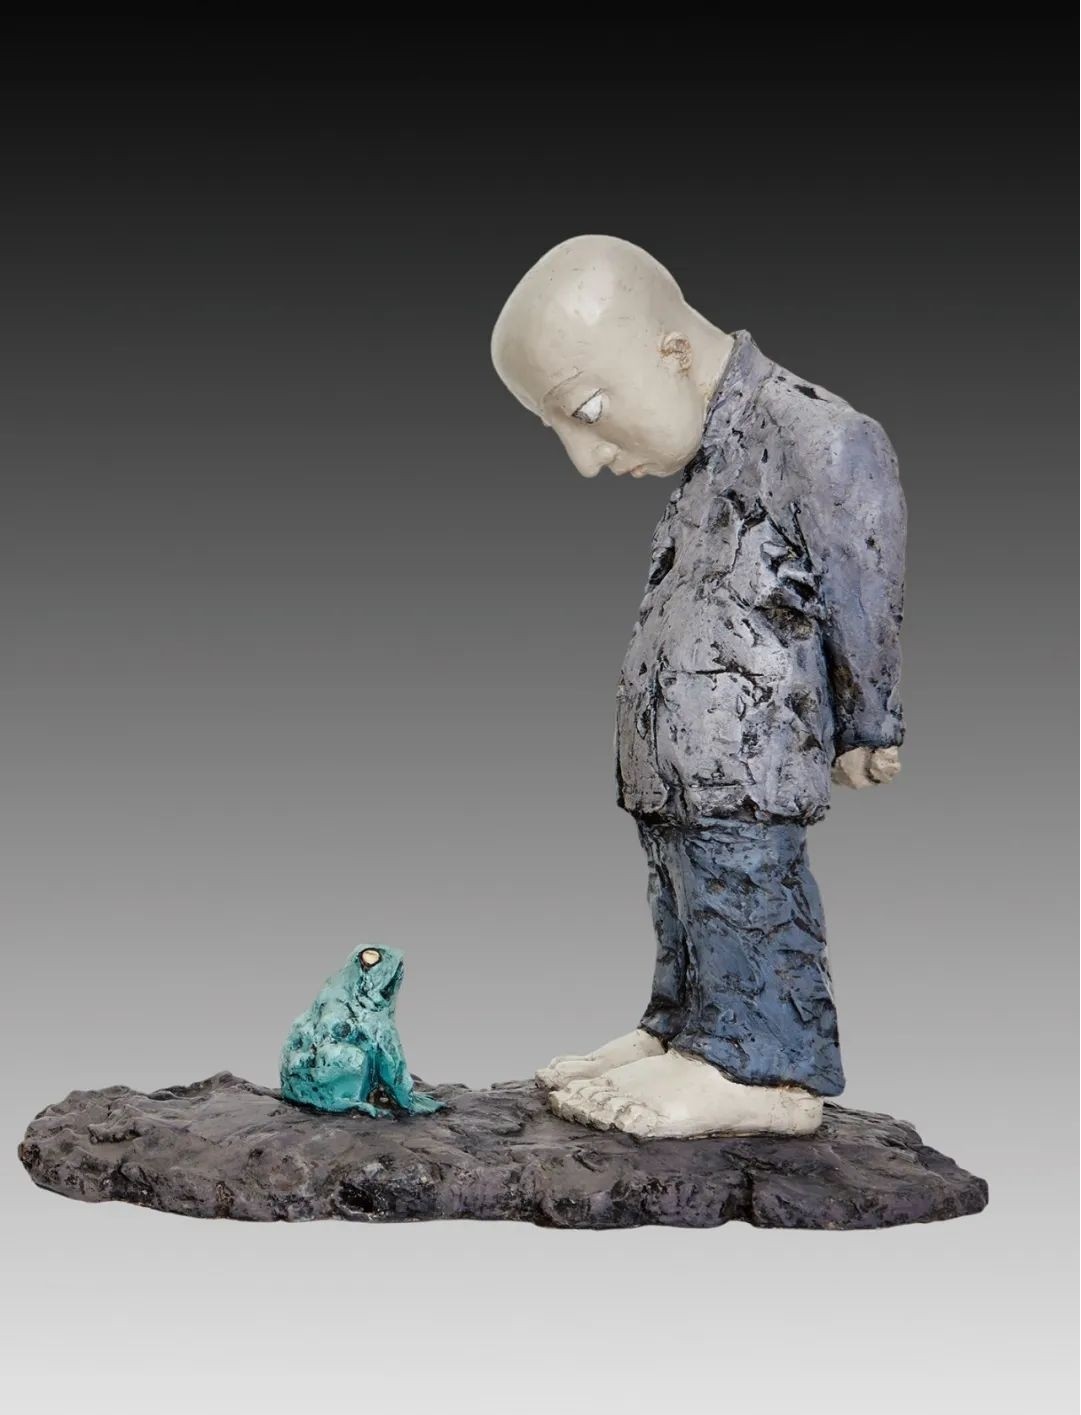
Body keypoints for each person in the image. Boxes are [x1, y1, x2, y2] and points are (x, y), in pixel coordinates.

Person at [491, 235, 905, 1138]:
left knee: (744, 889)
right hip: (679, 758)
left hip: (746, 762)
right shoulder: (709, 455)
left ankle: (764, 1069)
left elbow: (862, 590)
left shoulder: (820, 438)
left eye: (587, 410)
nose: (584, 459)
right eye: (558, 428)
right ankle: (680, 1027)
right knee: (681, 896)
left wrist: (867, 722)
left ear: (672, 350)